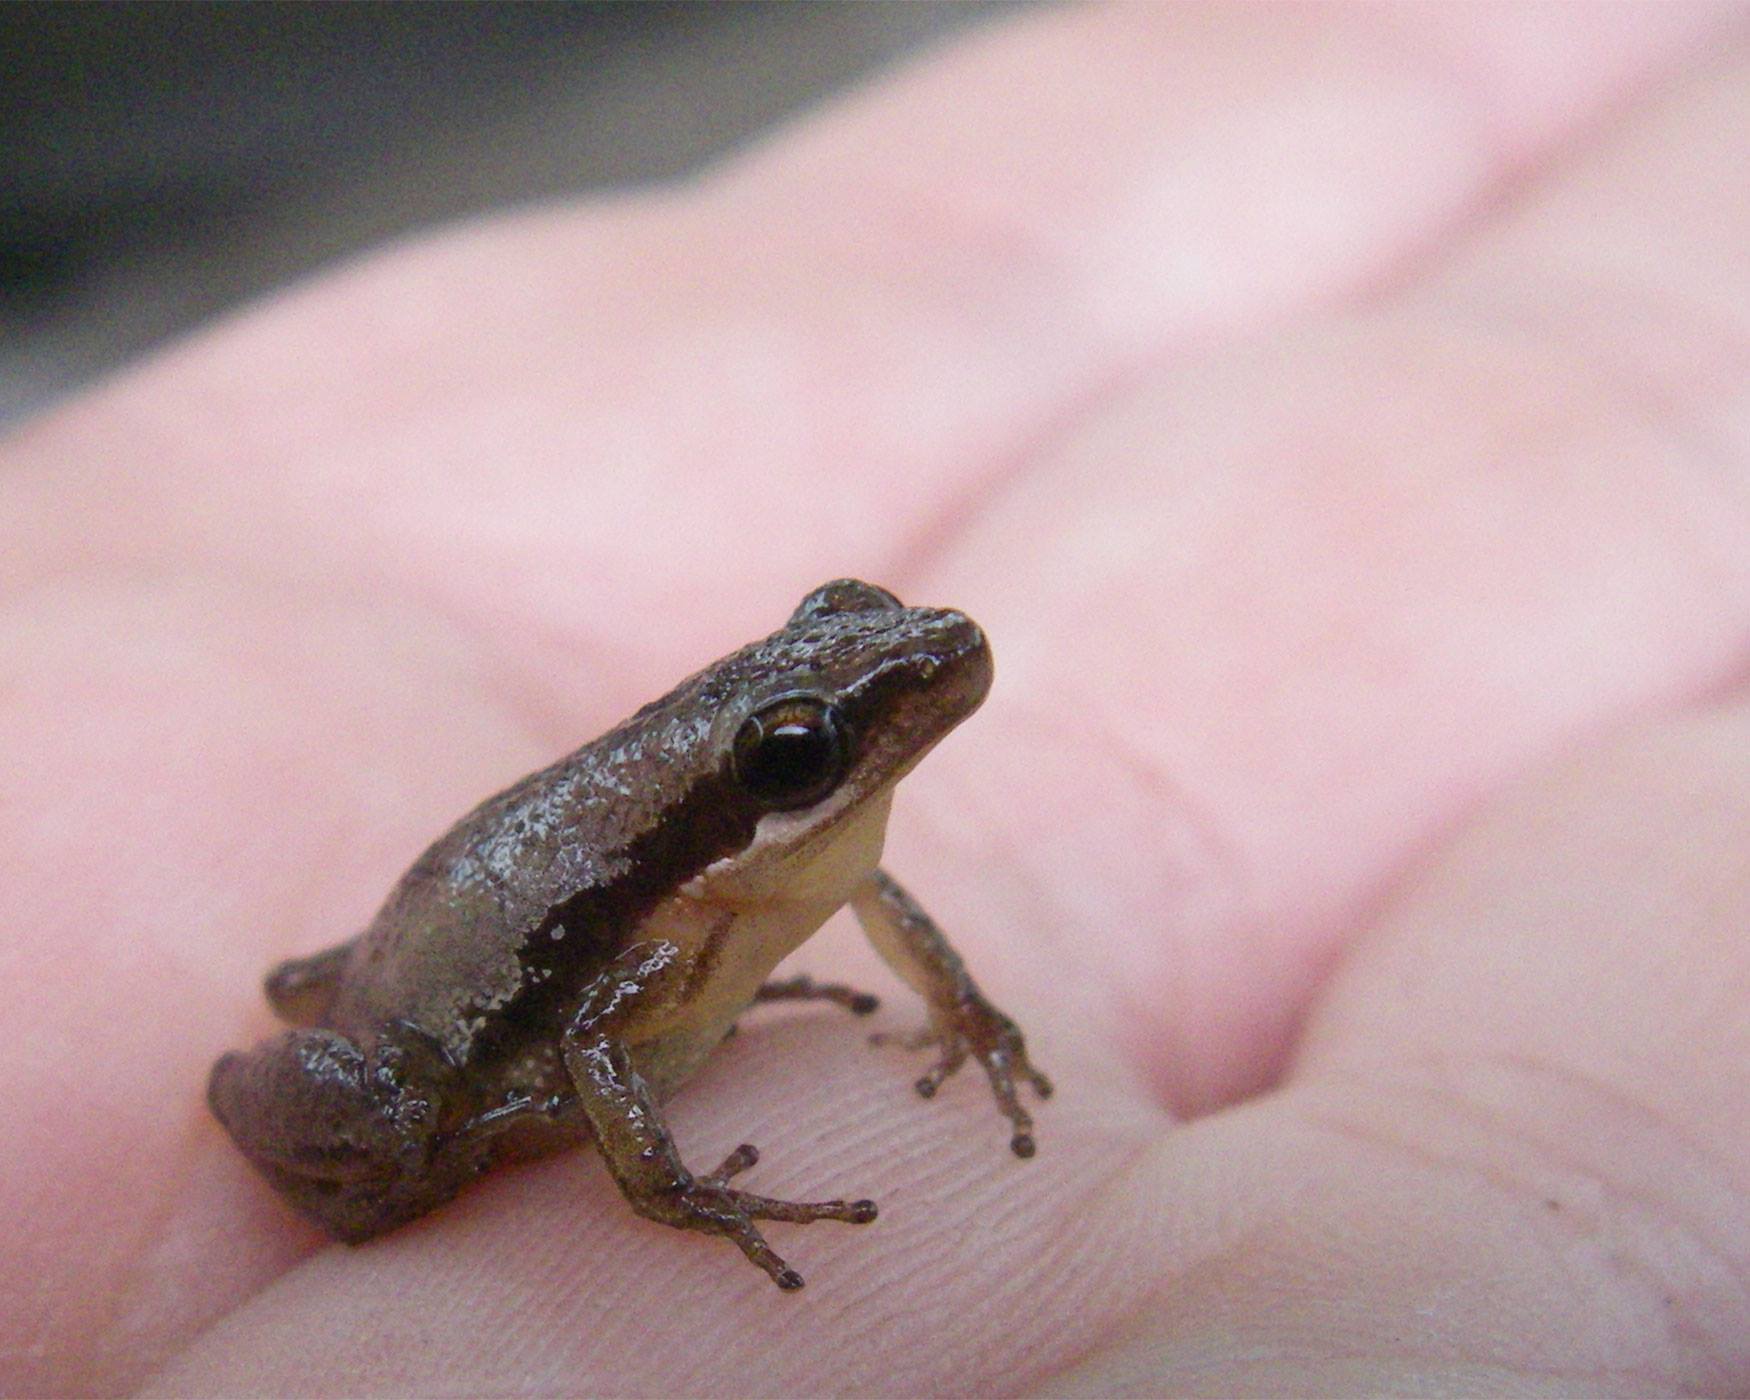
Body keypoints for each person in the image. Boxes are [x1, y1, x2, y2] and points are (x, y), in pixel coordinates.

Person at [4, 4, 1747, 1393]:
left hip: (521, 916)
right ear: (754, 782)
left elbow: (869, 891)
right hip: (428, 1046)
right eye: (802, 750)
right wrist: (663, 1184)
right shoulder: (684, 892)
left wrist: (967, 1012)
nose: (912, 684)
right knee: (398, 1127)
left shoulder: (790, 855)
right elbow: (600, 1034)